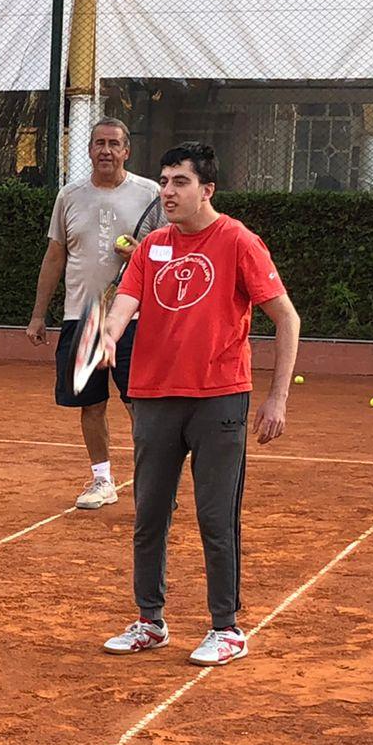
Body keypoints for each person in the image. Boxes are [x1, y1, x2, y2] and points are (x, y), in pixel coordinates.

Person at [99, 142, 301, 666]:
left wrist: (277, 398)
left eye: (180, 182)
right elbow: (124, 305)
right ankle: (150, 621)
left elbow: (287, 317)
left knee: (216, 517)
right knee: (149, 515)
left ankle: (226, 628)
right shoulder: (152, 247)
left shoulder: (238, 241)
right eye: (164, 181)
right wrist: (108, 334)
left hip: (219, 399)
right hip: (154, 398)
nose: (167, 192)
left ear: (207, 189)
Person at [26, 118, 159, 510]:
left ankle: (153, 486)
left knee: (139, 406)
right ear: (89, 150)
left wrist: (140, 253)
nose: (106, 151)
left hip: (135, 321)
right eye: (99, 143)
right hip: (81, 318)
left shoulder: (151, 194)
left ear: (126, 150)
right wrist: (38, 314)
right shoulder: (69, 196)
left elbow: (173, 252)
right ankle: (102, 481)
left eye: (114, 144)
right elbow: (55, 256)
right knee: (91, 404)